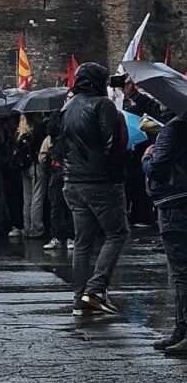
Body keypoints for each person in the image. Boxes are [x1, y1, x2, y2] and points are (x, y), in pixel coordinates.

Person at [61, 62, 129, 317]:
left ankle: (81, 295)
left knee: (83, 240)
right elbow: (112, 144)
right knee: (117, 233)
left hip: (72, 181)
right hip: (99, 180)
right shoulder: (102, 105)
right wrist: (116, 176)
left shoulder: (68, 107)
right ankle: (96, 289)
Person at [142, 114, 187, 354]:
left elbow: (158, 168)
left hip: (175, 202)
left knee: (181, 272)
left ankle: (184, 329)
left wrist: (147, 158)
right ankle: (181, 330)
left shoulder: (175, 127)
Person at [41, 112, 73, 251]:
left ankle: (59, 236)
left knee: (57, 206)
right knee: (65, 206)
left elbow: (42, 157)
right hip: (66, 172)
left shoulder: (52, 138)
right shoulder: (68, 134)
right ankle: (69, 236)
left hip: (57, 172)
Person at [15, 114, 46, 239]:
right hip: (35, 166)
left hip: (24, 168)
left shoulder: (18, 134)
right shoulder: (37, 131)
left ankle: (27, 228)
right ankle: (36, 228)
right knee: (37, 198)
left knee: (27, 199)